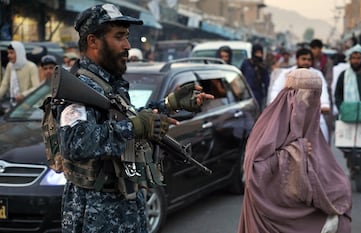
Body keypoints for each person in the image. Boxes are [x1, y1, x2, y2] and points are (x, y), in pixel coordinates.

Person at [56, 4, 213, 233]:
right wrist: (135, 127)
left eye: (127, 37)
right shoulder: (78, 88)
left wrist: (169, 104)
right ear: (93, 41)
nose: (127, 45)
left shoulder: (109, 85)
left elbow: (128, 119)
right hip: (95, 214)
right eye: (119, 37)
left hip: (125, 206)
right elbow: (73, 143)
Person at [238, 68, 352, 233]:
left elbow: (325, 169)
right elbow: (254, 172)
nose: (311, 104)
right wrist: (295, 152)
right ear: (291, 96)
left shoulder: (312, 128)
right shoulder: (269, 126)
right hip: (271, 215)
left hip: (300, 205)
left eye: (316, 98)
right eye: (308, 97)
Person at [267, 48, 331, 142]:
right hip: (289, 117)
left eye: (309, 60)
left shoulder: (317, 75)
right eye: (303, 59)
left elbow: (323, 96)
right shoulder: (287, 74)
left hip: (311, 119)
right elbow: (275, 93)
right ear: (297, 60)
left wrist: (324, 106)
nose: (306, 62)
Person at [0, 41, 39, 108]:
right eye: (8, 53)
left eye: (11, 53)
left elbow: (36, 87)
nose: (8, 56)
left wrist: (23, 95)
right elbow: (4, 84)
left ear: (19, 53)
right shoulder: (10, 66)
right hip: (13, 104)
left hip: (27, 104)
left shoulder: (31, 67)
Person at [240, 43, 270, 110]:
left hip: (258, 94)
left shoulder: (263, 66)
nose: (258, 55)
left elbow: (266, 82)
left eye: (260, 53)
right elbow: (241, 77)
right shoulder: (246, 63)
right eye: (257, 52)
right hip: (246, 94)